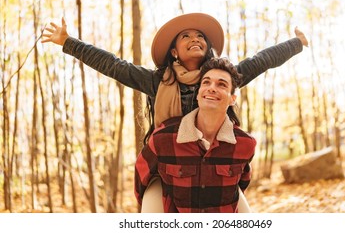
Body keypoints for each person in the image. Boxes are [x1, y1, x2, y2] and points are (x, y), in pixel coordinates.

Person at [42, 13, 308, 212]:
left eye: (200, 36)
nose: (195, 39)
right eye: (186, 36)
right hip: (168, 167)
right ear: (173, 51)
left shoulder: (220, 79)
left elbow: (261, 61)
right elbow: (113, 65)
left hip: (214, 164)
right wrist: (68, 42)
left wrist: (296, 43)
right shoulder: (158, 81)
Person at [134, 57, 256, 212]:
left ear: (232, 99)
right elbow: (141, 181)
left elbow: (242, 182)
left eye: (221, 84)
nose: (212, 88)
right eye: (206, 82)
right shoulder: (163, 138)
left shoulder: (245, 143)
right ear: (198, 94)